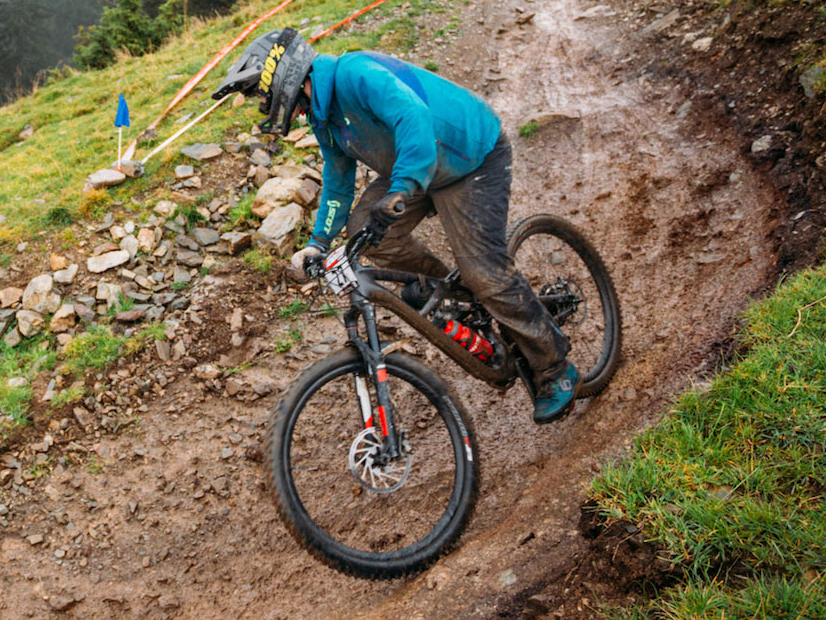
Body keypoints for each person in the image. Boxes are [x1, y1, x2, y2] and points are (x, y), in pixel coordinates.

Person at [211, 27, 577, 423]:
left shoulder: (355, 74)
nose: (267, 106)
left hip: (470, 158)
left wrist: (402, 188)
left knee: (484, 272)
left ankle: (554, 366)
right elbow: (337, 181)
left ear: (285, 80)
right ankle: (450, 292)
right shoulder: (323, 115)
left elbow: (413, 116)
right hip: (417, 168)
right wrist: (317, 243)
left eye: (263, 97)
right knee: (364, 231)